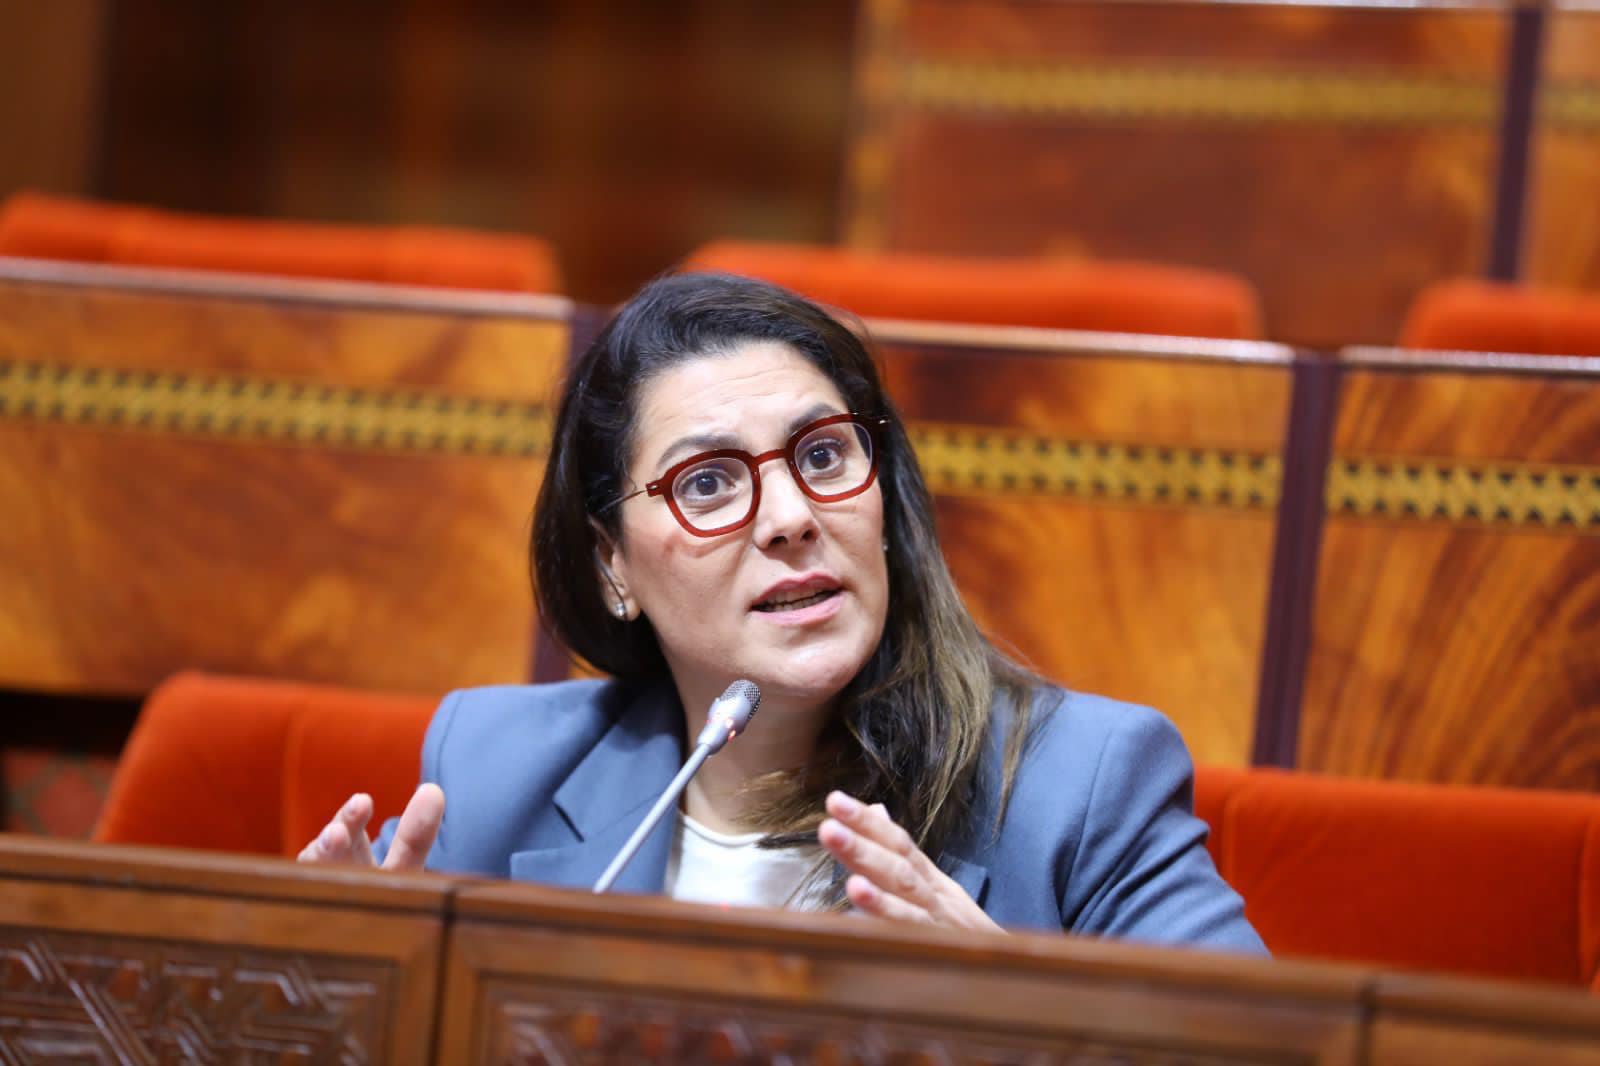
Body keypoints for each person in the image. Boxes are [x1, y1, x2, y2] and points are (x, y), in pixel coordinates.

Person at [299, 272, 1265, 951]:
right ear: (611, 565)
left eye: (823, 455)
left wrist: (1015, 1018)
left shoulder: (1080, 790)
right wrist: (349, 990)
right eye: (708, 482)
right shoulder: (493, 771)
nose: (792, 517)